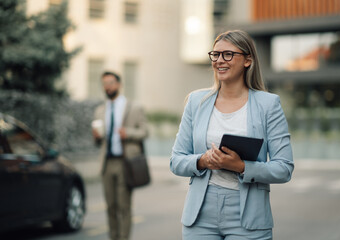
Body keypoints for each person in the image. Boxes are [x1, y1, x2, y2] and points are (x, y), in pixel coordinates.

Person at [170, 30, 294, 240]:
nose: (219, 61)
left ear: (248, 60)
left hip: (249, 217)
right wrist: (203, 160)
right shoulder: (196, 102)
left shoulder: (268, 104)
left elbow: (284, 168)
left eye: (228, 54)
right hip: (200, 216)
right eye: (215, 55)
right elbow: (176, 161)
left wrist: (240, 166)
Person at [92, 71, 148, 240]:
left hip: (125, 162)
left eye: (110, 83)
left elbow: (145, 131)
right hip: (107, 163)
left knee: (123, 206)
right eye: (104, 84)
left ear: (119, 84)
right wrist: (96, 137)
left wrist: (127, 133)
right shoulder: (100, 110)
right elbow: (98, 141)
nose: (107, 87)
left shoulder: (133, 107)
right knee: (110, 206)